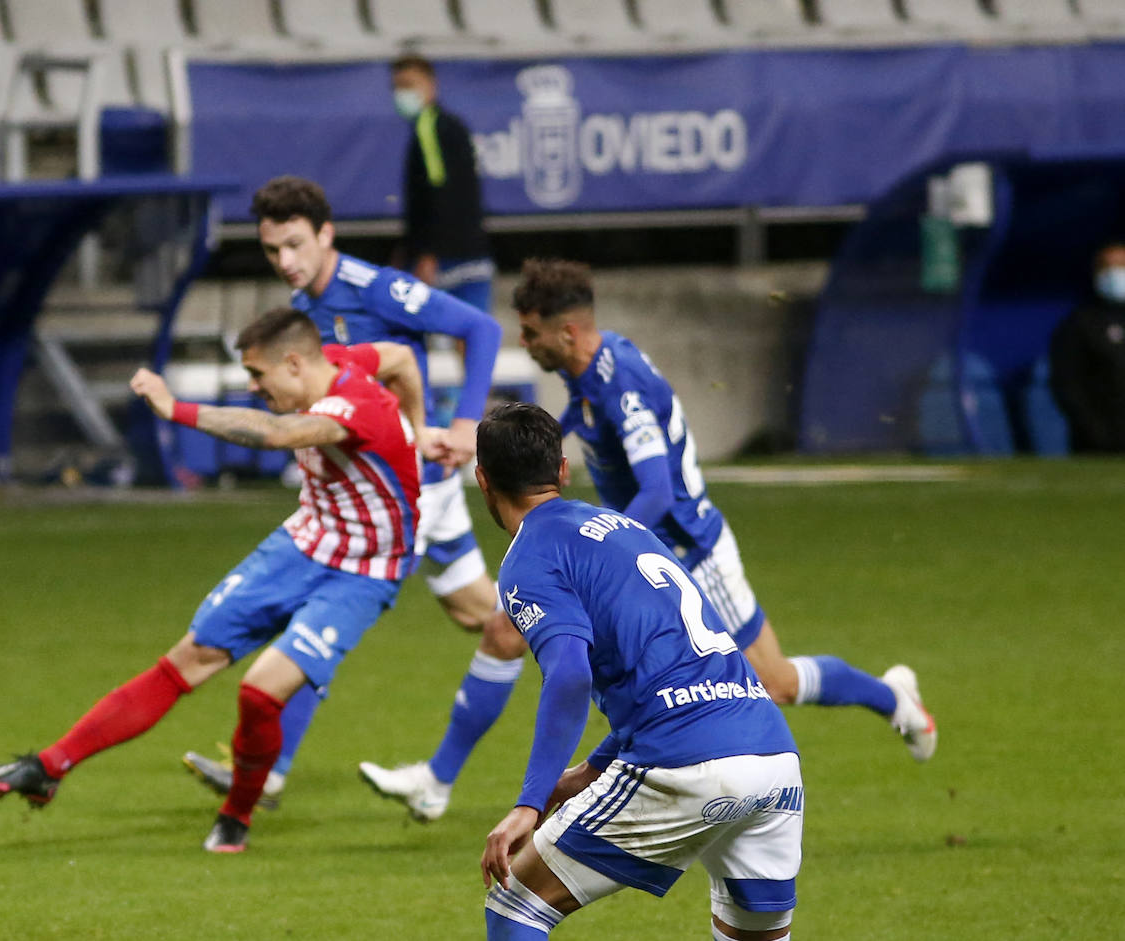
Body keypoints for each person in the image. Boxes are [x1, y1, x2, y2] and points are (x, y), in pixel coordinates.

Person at [362, 258, 935, 821]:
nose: (524, 342)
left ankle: (893, 700)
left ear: (567, 330)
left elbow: (658, 491)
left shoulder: (620, 384)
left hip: (689, 551)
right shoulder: (585, 372)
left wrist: (603, 549)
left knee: (775, 682)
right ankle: (436, 781)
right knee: (502, 630)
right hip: (636, 551)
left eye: (531, 332)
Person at [0, 309, 431, 853]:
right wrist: (421, 433)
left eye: (259, 378)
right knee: (186, 659)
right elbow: (401, 358)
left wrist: (174, 408)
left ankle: (236, 816)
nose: (255, 389)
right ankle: (49, 766)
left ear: (292, 363)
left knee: (260, 693)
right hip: (303, 542)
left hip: (364, 572)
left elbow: (276, 434)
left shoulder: (355, 407)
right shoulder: (337, 361)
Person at [183, 176, 521, 821]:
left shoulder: (376, 289)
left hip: (402, 486)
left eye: (295, 244)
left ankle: (271, 770)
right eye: (273, 248)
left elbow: (478, 327)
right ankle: (597, 662)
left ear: (326, 234)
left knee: (321, 612)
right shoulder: (299, 302)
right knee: (490, 619)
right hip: (394, 484)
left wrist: (464, 424)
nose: (285, 260)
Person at [474, 402, 802, 941]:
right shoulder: (627, 530)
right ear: (562, 469)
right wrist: (594, 767)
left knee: (517, 905)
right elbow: (675, 661)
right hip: (771, 755)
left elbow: (571, 675)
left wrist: (528, 805)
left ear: (483, 480)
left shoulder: (529, 558)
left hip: (683, 762)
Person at [391, 54, 494, 313]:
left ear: (430, 85)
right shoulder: (453, 126)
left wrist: (428, 252)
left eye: (408, 85)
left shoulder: (429, 127)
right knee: (473, 330)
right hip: (473, 249)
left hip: (446, 257)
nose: (402, 93)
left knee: (408, 323)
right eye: (397, 87)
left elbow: (441, 191)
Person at [1050, 239, 1125, 451]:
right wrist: (1096, 433)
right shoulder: (1080, 324)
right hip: (1098, 444)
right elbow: (1067, 384)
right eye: (1107, 267)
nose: (1115, 273)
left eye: (1121, 267)